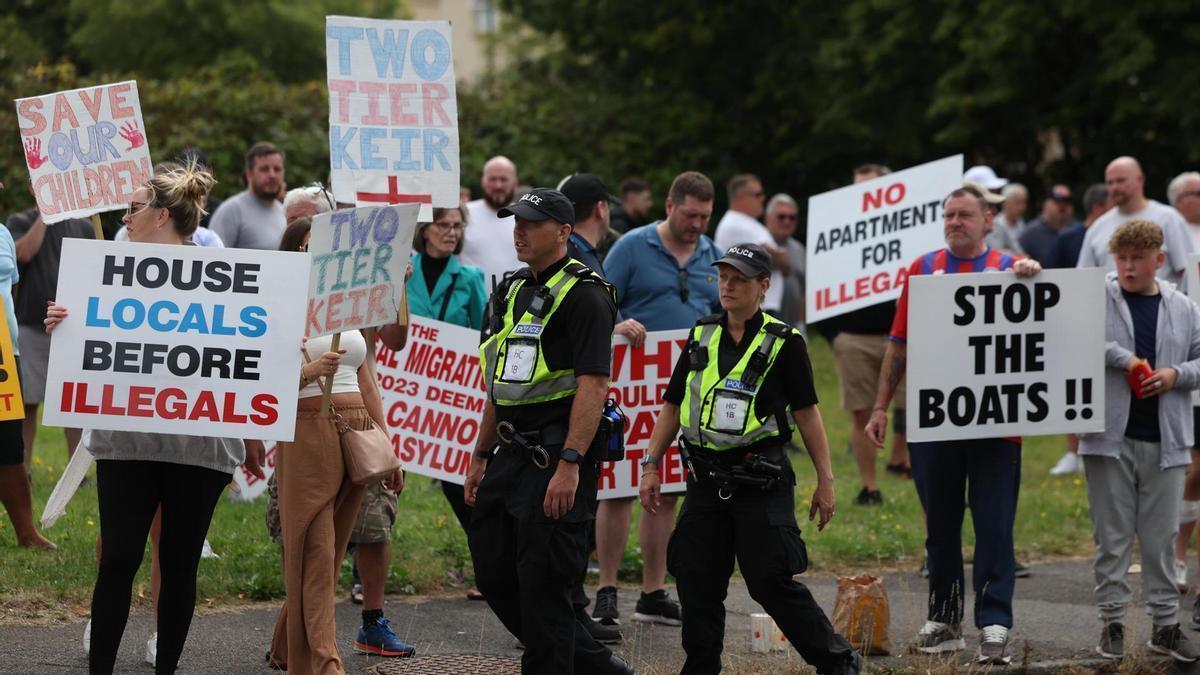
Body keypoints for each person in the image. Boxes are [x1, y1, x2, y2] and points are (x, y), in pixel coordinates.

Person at [45, 163, 268, 675]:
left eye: (132, 208)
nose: (123, 217)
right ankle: (100, 665)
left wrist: (257, 421)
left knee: (180, 562)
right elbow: (88, 348)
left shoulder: (227, 276)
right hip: (127, 441)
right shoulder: (103, 273)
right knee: (118, 559)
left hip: (202, 446)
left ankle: (166, 666)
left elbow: (247, 354)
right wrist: (64, 323)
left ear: (161, 215)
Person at [639, 243, 860, 675]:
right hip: (705, 479)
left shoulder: (784, 342)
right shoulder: (702, 333)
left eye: (739, 279)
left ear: (763, 286)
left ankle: (837, 662)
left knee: (770, 581)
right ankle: (701, 666)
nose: (728, 285)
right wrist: (651, 464)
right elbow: (672, 403)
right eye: (723, 277)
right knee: (696, 579)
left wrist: (826, 480)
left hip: (760, 479)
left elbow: (808, 414)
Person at [865, 186, 1042, 664]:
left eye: (965, 215)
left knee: (994, 524)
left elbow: (1044, 320)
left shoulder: (1010, 268)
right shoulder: (922, 270)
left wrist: (1031, 276)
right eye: (949, 215)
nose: (954, 221)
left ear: (988, 220)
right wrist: (881, 407)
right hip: (935, 421)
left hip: (996, 424)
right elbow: (899, 344)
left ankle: (994, 623)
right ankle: (944, 619)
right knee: (940, 526)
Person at [463, 188, 632, 675]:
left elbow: (593, 385)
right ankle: (598, 667)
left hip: (556, 454)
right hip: (510, 455)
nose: (518, 231)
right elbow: (500, 384)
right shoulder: (512, 290)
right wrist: (480, 454)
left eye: (530, 224)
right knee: (494, 573)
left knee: (545, 586)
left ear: (563, 233)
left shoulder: (586, 294)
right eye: (515, 222)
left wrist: (570, 465)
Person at [265, 218, 409, 672]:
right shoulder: (276, 304)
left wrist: (386, 443)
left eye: (321, 248)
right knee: (315, 548)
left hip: (354, 425)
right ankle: (325, 663)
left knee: (325, 559)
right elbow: (256, 378)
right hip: (308, 427)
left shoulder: (346, 306)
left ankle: (287, 648)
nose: (315, 255)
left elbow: (368, 383)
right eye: (306, 246)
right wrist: (308, 372)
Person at [592, 171, 722, 631]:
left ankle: (653, 591)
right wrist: (621, 324)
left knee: (666, 489)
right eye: (690, 215)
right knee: (619, 487)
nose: (697, 225)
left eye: (705, 217)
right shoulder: (631, 246)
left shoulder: (713, 255)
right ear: (669, 205)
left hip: (683, 390)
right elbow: (600, 303)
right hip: (633, 387)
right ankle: (606, 589)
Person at [1078, 219, 1200, 663]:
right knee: (1110, 537)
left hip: (1166, 439)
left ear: (1158, 261)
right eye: (1122, 258)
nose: (1128, 267)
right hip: (1108, 436)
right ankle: (1111, 621)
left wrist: (1175, 375)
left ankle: (1165, 625)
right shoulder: (1096, 297)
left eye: (1137, 259)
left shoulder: (1183, 306)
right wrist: (1125, 359)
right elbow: (1076, 339)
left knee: (1161, 538)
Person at [406, 205, 487, 601]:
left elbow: (484, 340)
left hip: (445, 403)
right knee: (378, 483)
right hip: (401, 395)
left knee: (464, 488)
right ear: (425, 229)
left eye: (457, 226)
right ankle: (359, 570)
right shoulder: (400, 270)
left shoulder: (470, 278)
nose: (451, 232)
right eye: (443, 225)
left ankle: (488, 570)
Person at [815, 164, 908, 506]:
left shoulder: (907, 230)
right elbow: (820, 282)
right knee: (861, 412)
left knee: (910, 408)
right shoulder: (839, 231)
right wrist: (835, 335)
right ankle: (870, 487)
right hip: (853, 337)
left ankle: (904, 464)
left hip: (898, 336)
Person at [5, 194, 93, 471]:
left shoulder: (83, 227)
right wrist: (46, 213)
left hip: (73, 329)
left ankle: (76, 475)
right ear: (32, 188)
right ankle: (24, 468)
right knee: (27, 405)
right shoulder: (19, 221)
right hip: (31, 324)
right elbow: (23, 253)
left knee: (74, 404)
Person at [0, 212, 53, 549]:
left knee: (8, 445)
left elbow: (12, 284)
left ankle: (27, 533)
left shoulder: (4, 233)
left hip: (6, 353)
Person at [1078, 156, 1194, 286]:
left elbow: (1189, 273)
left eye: (1121, 181)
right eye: (1110, 183)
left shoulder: (1169, 218)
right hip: (1110, 306)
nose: (1115, 187)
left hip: (1163, 304)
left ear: (1140, 180)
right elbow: (1084, 279)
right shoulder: (1097, 228)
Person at [712, 174, 786, 314]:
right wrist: (781, 255)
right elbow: (775, 260)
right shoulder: (734, 224)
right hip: (754, 309)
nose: (763, 198)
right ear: (741, 196)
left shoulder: (748, 223)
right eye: (758, 194)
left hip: (760, 306)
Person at [209, 141, 287, 250]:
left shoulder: (285, 213)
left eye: (277, 169)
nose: (272, 175)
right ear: (249, 174)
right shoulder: (231, 211)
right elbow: (212, 257)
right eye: (264, 169)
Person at [461, 155, 523, 290]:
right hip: (472, 305)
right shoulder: (463, 214)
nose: (498, 185)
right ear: (483, 182)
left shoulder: (526, 218)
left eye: (504, 179)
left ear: (515, 183)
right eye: (492, 179)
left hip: (517, 305)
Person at [764, 193, 807, 331]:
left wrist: (801, 325)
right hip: (764, 326)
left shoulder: (799, 249)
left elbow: (802, 291)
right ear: (767, 218)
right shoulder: (759, 244)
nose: (787, 221)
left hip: (792, 327)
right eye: (781, 216)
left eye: (792, 217)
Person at [1018, 185, 1078, 267]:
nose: (1062, 206)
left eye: (1066, 202)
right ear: (1046, 204)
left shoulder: (1078, 232)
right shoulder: (1031, 233)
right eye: (1057, 202)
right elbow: (1018, 261)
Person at [987, 183, 1028, 254]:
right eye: (1017, 203)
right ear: (1005, 203)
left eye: (1024, 202)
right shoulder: (995, 225)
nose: (1021, 207)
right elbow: (997, 252)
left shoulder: (1021, 223)